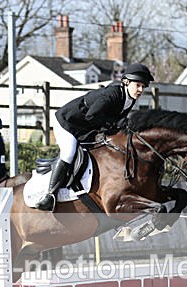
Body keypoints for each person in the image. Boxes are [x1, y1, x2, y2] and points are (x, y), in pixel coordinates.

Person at [34, 63, 155, 211]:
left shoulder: (129, 98)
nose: (141, 90)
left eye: (143, 87)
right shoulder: (112, 94)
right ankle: (50, 195)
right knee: (69, 152)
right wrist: (116, 123)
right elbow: (92, 115)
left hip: (86, 127)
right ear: (126, 82)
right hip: (68, 123)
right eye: (138, 85)